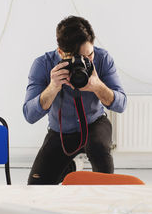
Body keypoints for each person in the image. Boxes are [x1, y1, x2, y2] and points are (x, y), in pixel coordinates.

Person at [23, 16, 127, 185]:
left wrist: (98, 86)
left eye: (89, 55)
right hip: (60, 131)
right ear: (60, 53)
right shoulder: (43, 64)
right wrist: (53, 87)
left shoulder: (103, 58)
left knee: (105, 175)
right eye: (77, 59)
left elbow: (121, 104)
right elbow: (29, 114)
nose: (85, 62)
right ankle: (68, 167)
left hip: (94, 124)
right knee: (36, 186)